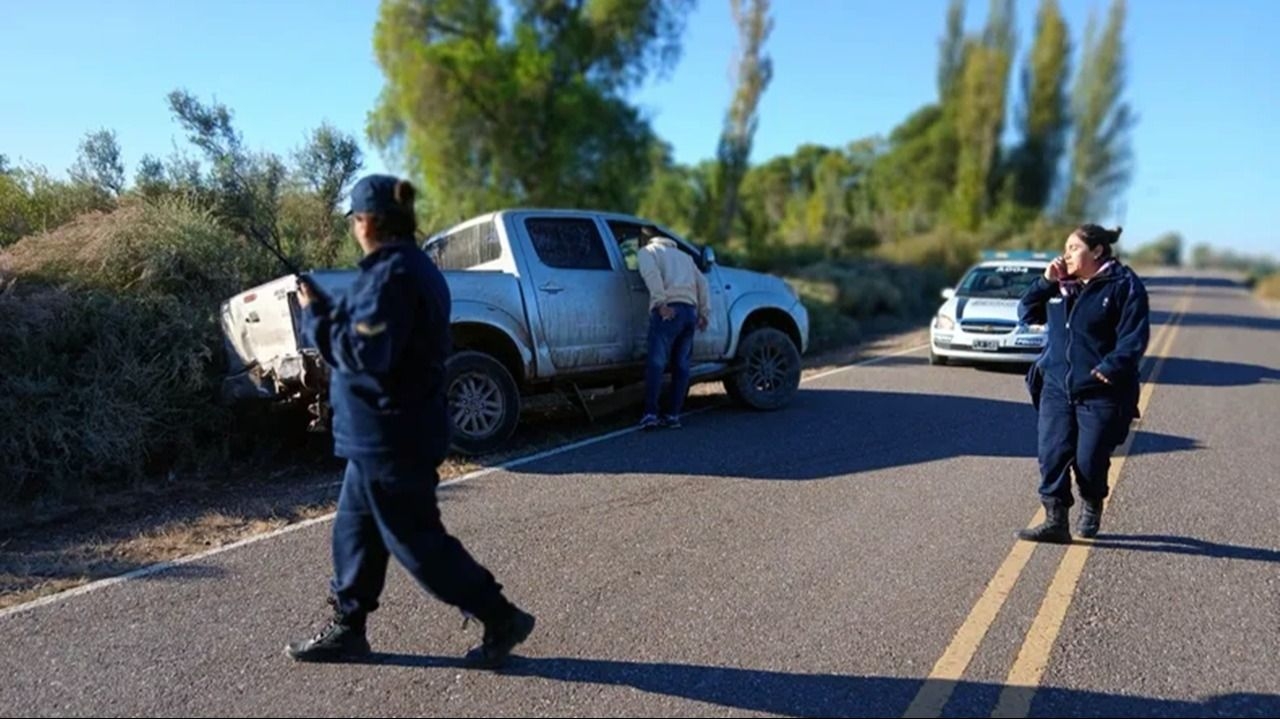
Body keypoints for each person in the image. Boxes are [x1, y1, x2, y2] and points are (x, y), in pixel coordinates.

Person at [286, 174, 534, 668]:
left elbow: (365, 353)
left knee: (417, 543)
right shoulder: (403, 269)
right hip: (375, 438)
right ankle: (348, 626)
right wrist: (333, 310)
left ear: (369, 222)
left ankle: (499, 614)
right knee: (354, 533)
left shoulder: (393, 276)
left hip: (392, 438)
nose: (355, 227)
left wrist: (315, 318)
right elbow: (376, 337)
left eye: (357, 218)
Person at [1017, 224, 1150, 543]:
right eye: (1065, 248)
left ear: (1097, 251)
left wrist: (1112, 366)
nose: (1066, 254)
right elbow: (1026, 313)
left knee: (1089, 460)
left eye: (1074, 248)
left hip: (1101, 390)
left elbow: (1134, 336)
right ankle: (1055, 520)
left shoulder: (1123, 285)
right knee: (1052, 454)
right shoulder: (1059, 286)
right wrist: (1045, 282)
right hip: (1056, 386)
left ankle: (1092, 501)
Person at [636, 225, 711, 430]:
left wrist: (660, 303)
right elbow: (702, 283)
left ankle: (651, 414)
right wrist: (704, 313)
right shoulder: (684, 257)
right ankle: (673, 416)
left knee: (656, 363)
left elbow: (652, 276)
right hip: (689, 312)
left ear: (646, 240)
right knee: (681, 366)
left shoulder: (647, 252)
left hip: (669, 311)